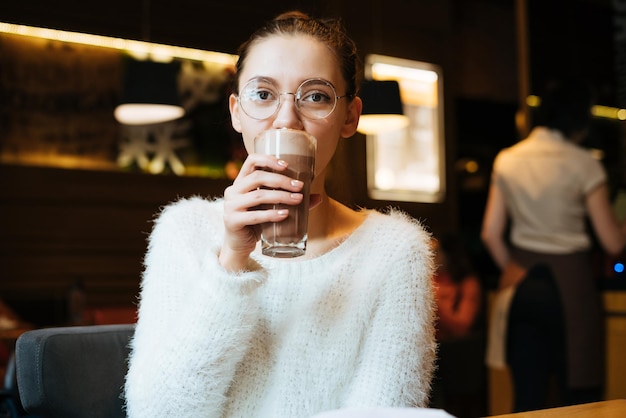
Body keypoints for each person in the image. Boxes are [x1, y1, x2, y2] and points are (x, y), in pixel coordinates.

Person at [124, 11, 436, 418]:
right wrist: (231, 261)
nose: (287, 119)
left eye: (316, 96)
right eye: (263, 94)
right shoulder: (183, 230)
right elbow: (158, 414)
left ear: (350, 117)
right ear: (237, 112)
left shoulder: (395, 251)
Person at [481, 79, 626, 412]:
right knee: (580, 401)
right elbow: (612, 241)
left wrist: (512, 267)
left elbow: (490, 232)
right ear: (579, 120)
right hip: (571, 289)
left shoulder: (508, 158)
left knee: (527, 402)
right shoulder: (584, 163)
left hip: (521, 286)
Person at [429, 234, 484, 418]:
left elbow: (462, 325)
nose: (431, 257)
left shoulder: (466, 283)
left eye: (435, 252)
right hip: (429, 359)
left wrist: (434, 299)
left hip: (455, 362)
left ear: (449, 254)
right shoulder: (428, 279)